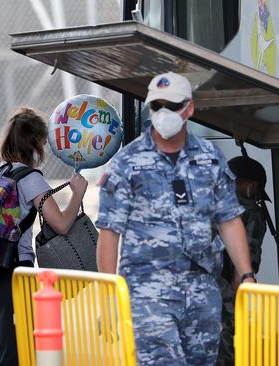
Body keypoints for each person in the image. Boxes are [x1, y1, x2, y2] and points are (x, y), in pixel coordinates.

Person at [96, 72, 255, 365]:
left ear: (189, 109)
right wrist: (109, 296)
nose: (164, 113)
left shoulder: (210, 157)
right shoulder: (128, 162)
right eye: (157, 106)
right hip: (147, 291)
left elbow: (229, 220)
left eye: (173, 105)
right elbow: (109, 232)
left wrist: (245, 275)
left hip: (202, 289)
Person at [0, 107, 88, 366]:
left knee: (2, 355)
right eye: (43, 143)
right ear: (35, 143)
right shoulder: (30, 178)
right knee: (18, 356)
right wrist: (77, 193)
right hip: (12, 275)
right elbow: (62, 224)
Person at [216, 155, 268, 365]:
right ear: (251, 186)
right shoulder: (250, 212)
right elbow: (243, 267)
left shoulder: (206, 201)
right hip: (222, 292)